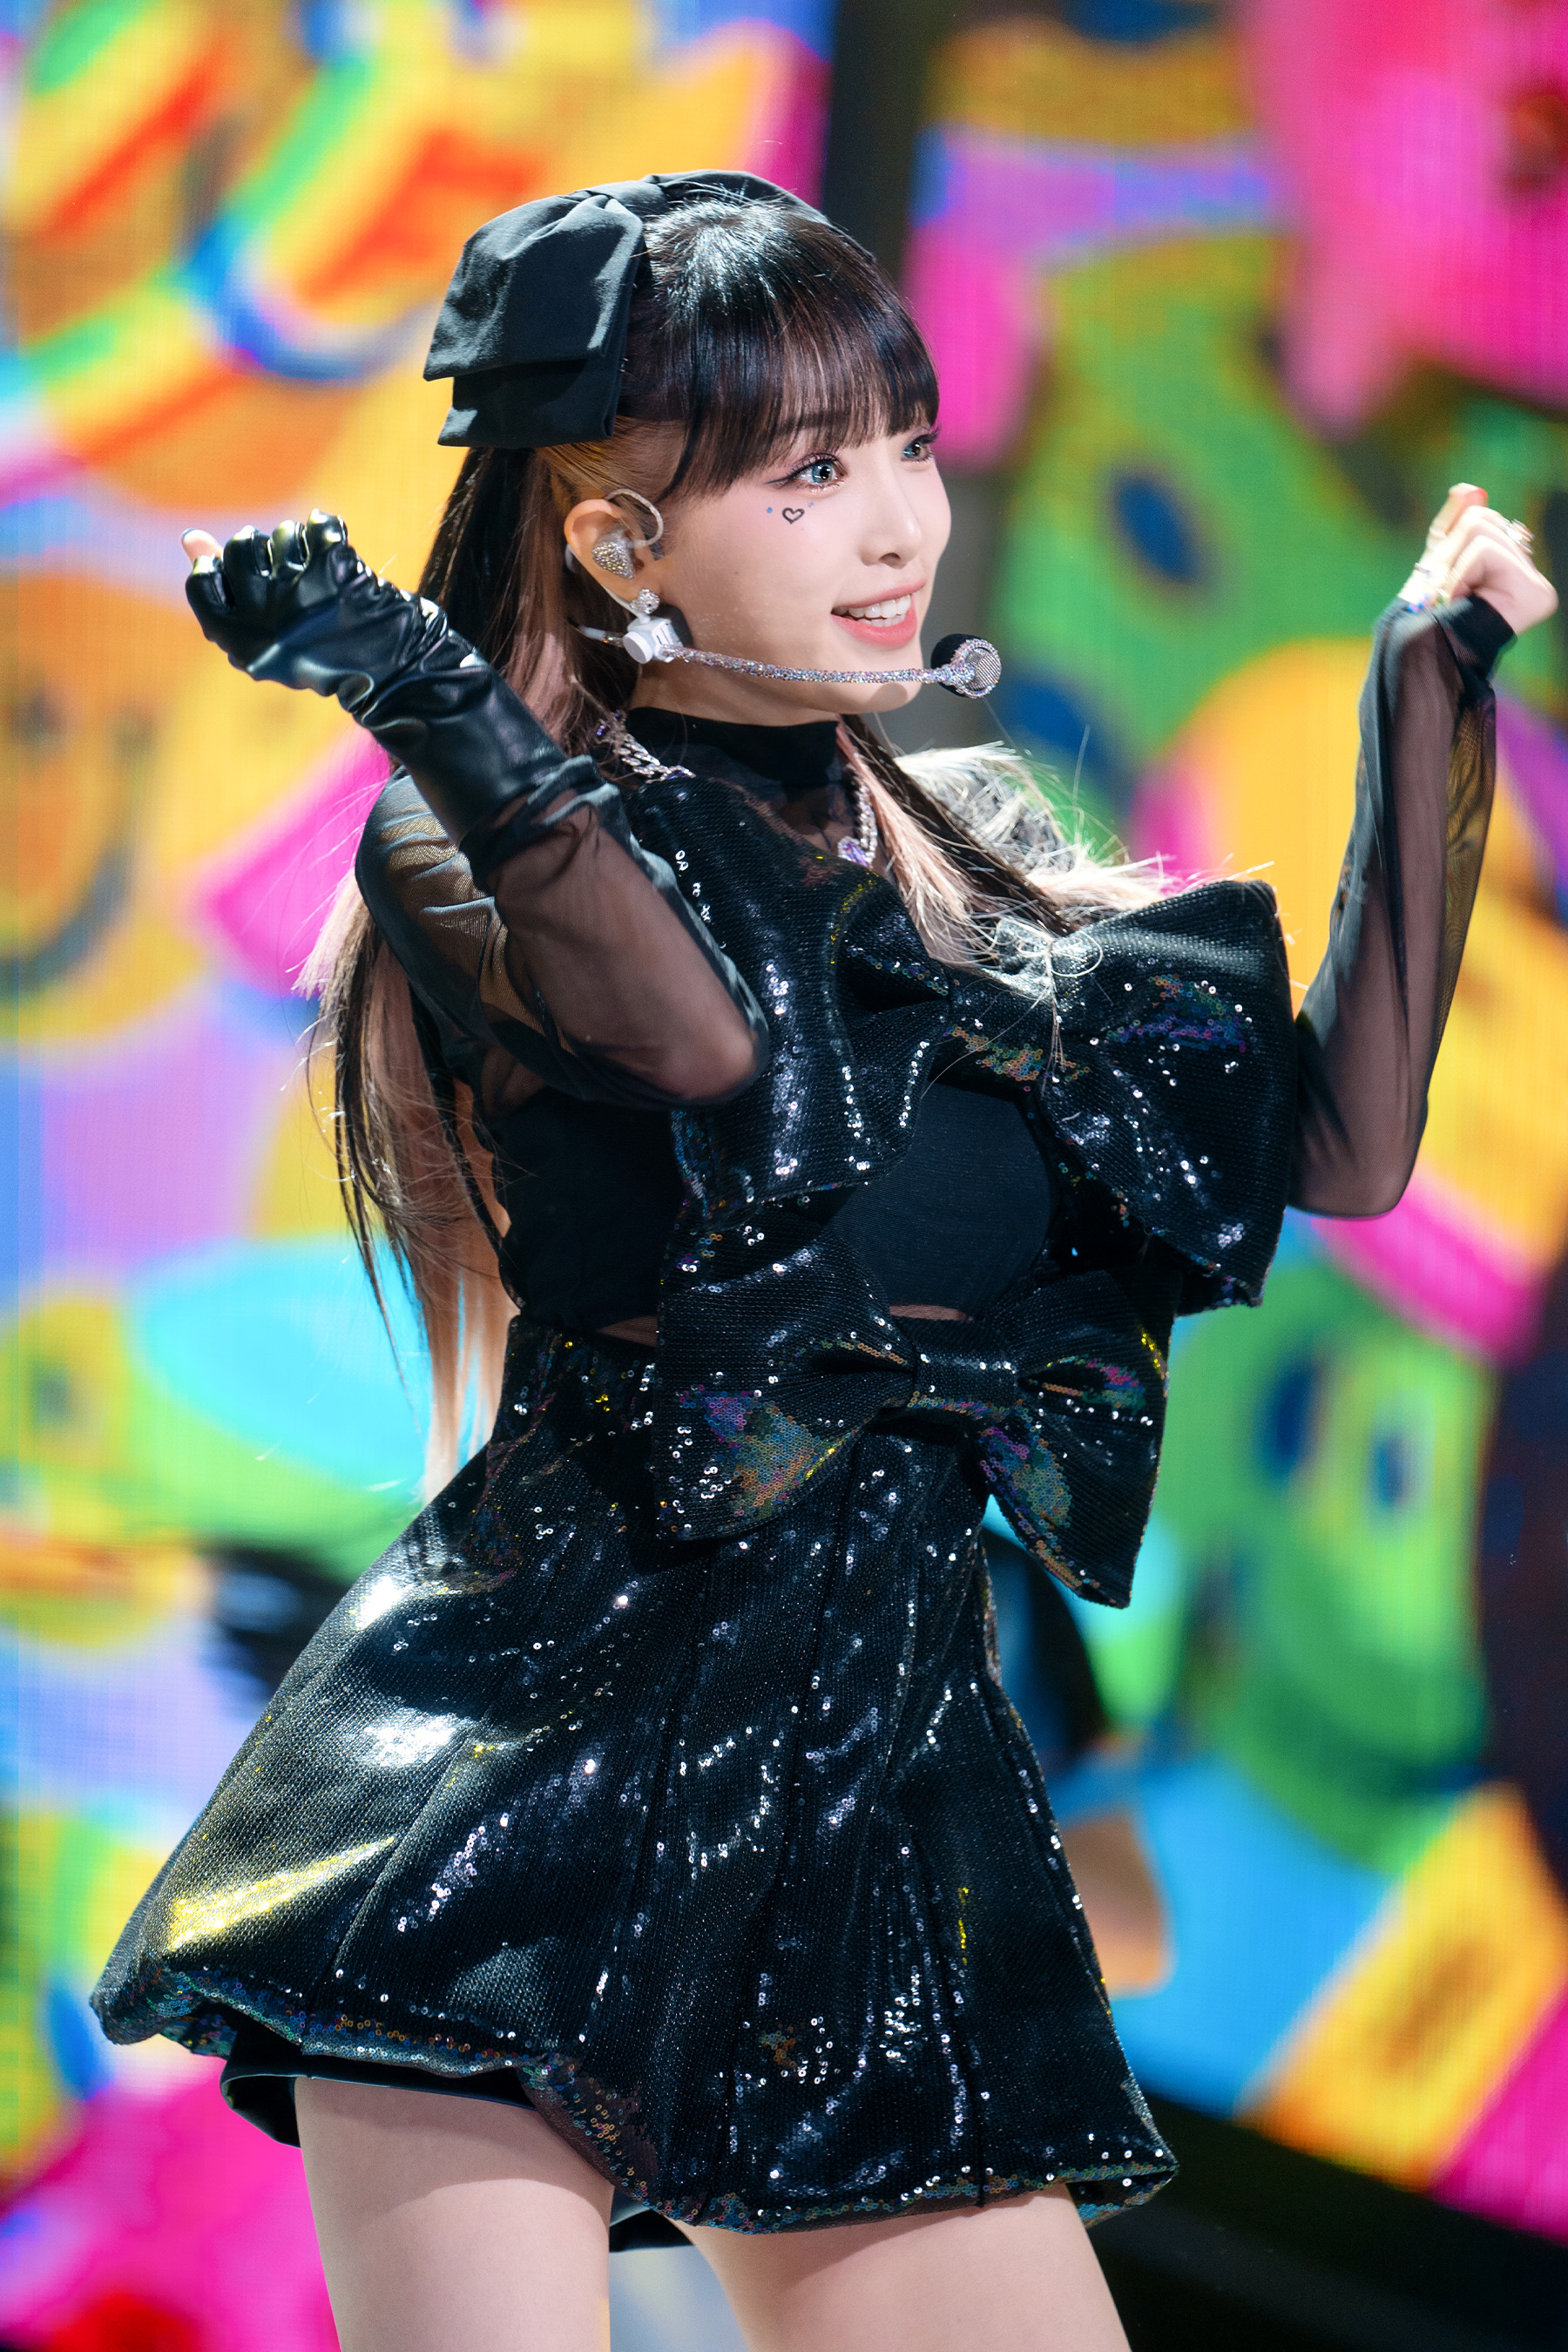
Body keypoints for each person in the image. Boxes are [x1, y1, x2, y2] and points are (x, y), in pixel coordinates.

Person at [92, 174, 1557, 2352]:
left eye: (909, 447)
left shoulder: (959, 838)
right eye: (807, 476)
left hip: (873, 1805)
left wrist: (1426, 689)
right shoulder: (472, 837)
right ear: (621, 542)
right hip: (523, 1773)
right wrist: (434, 704)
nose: (897, 528)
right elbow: (716, 1052)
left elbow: (1334, 1151)